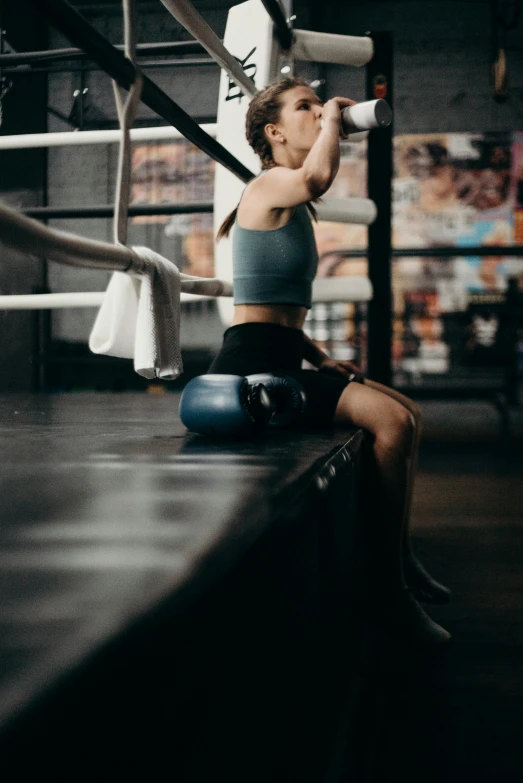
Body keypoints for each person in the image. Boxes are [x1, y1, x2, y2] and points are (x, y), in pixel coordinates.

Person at [209, 77, 451, 646]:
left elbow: (278, 299)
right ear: (274, 131)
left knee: (406, 412)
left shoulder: (294, 202)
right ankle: (385, 590)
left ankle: (401, 555)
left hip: (283, 354)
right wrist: (339, 118)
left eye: (319, 105)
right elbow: (318, 175)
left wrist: (318, 354)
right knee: (389, 423)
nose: (318, 113)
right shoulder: (269, 185)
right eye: (305, 107)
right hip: (251, 363)